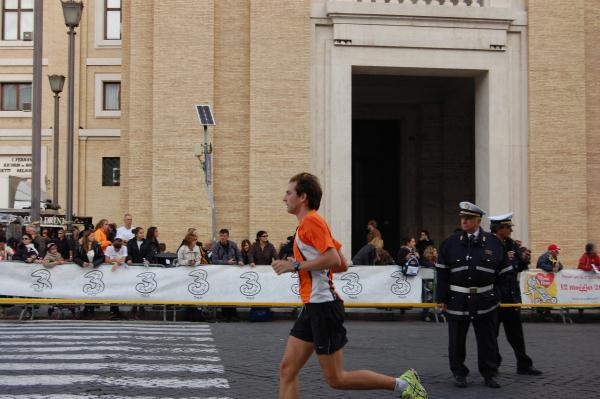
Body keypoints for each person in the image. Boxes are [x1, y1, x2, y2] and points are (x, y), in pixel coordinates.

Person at [272, 172, 427, 399]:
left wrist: (295, 266)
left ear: (303, 196)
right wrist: (311, 267)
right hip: (313, 306)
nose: (284, 198)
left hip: (323, 307)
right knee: (288, 369)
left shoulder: (311, 222)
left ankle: (404, 385)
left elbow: (334, 260)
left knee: (336, 379)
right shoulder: (311, 224)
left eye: (288, 193)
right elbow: (343, 264)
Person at [436, 201, 505, 389]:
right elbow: (442, 274)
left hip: (486, 300)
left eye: (469, 218)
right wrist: (441, 299)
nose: (464, 221)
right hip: (457, 300)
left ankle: (489, 373)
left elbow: (504, 272)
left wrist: (497, 295)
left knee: (487, 340)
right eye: (462, 218)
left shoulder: (494, 242)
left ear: (478, 220)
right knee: (456, 341)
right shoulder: (449, 244)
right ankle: (459, 373)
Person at [489, 212, 541, 376]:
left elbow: (519, 266)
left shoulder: (511, 244)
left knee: (516, 333)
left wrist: (523, 259)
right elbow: (487, 268)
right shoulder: (488, 244)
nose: (511, 231)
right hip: (494, 296)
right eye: (508, 228)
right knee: (491, 334)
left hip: (511, 295)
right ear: (499, 229)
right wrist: (504, 259)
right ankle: (492, 364)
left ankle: (523, 364)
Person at [73, 231, 105, 319]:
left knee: (93, 289)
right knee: (85, 289)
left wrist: (94, 263)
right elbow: (75, 258)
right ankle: (86, 309)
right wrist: (82, 263)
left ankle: (91, 309)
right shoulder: (80, 246)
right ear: (87, 237)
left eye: (94, 235)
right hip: (83, 271)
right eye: (92, 235)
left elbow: (102, 257)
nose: (93, 237)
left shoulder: (97, 246)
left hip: (94, 271)